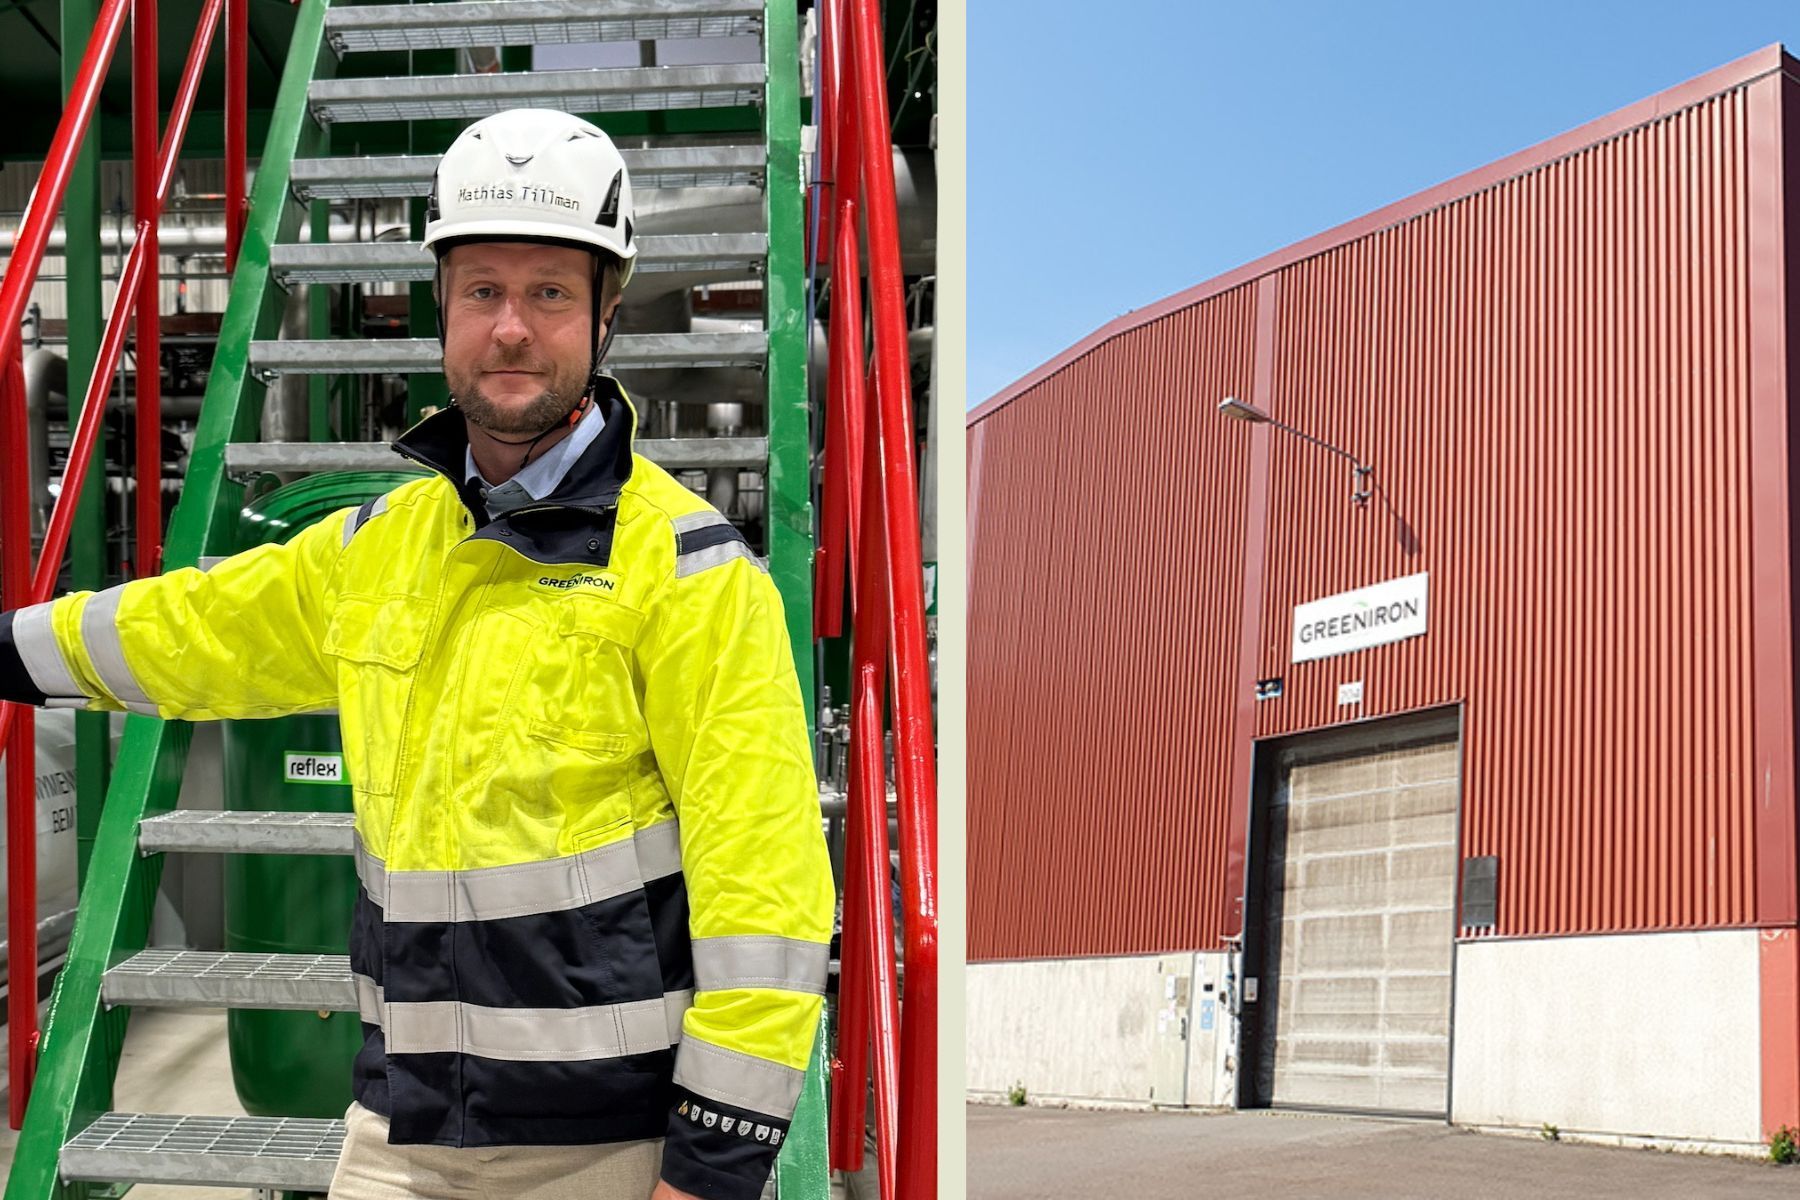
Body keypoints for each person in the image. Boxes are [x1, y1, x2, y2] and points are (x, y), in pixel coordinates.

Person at [0, 108, 835, 1200]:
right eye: (483, 290)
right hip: (397, 1132)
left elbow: (765, 906)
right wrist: (9, 648)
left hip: (602, 1155)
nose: (512, 330)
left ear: (605, 311)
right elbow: (190, 628)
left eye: (549, 293)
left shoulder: (692, 577)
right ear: (440, 304)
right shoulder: (378, 550)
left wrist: (712, 1166)